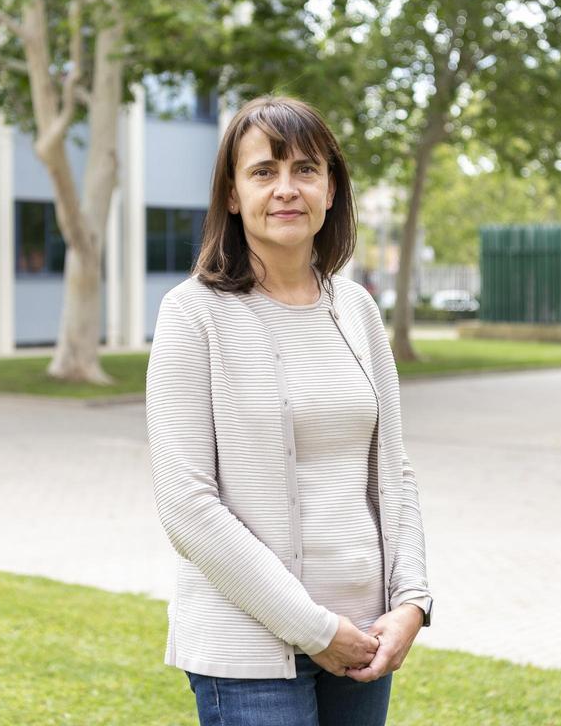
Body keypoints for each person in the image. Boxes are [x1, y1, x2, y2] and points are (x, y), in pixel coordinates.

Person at [145, 95, 433, 726]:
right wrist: (313, 628)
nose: (286, 189)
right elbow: (187, 508)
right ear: (230, 194)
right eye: (263, 171)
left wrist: (411, 601)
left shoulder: (358, 311)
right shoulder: (192, 315)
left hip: (363, 639)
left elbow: (394, 475)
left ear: (331, 190)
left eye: (305, 169)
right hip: (246, 650)